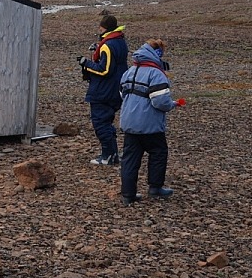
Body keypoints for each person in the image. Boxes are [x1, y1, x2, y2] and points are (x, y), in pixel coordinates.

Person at [118, 38, 185, 206]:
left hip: (129, 122)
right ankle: (155, 188)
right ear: (158, 54)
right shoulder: (156, 73)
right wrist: (172, 104)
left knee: (130, 158)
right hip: (149, 124)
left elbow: (122, 94)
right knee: (158, 152)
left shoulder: (130, 70)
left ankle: (128, 194)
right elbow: (160, 102)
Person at [77, 15, 128, 165]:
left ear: (104, 28)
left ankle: (108, 155)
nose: (98, 29)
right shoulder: (120, 41)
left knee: (100, 122)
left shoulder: (107, 45)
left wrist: (86, 63)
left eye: (100, 27)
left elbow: (105, 70)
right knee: (107, 121)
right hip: (116, 88)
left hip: (104, 91)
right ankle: (111, 154)